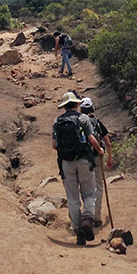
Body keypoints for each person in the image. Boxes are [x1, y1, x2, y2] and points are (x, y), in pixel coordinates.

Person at [52, 91, 103, 244]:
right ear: (76, 104)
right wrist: (100, 150)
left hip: (66, 163)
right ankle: (87, 219)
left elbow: (54, 145)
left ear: (64, 107)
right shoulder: (83, 118)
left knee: (73, 198)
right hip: (84, 161)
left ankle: (77, 229)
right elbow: (92, 139)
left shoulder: (57, 121)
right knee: (89, 193)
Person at [79, 97, 112, 228]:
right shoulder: (97, 122)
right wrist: (109, 157)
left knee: (86, 187)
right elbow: (108, 142)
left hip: (83, 158)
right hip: (97, 156)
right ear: (92, 108)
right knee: (99, 186)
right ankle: (97, 217)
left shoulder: (79, 122)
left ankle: (87, 215)